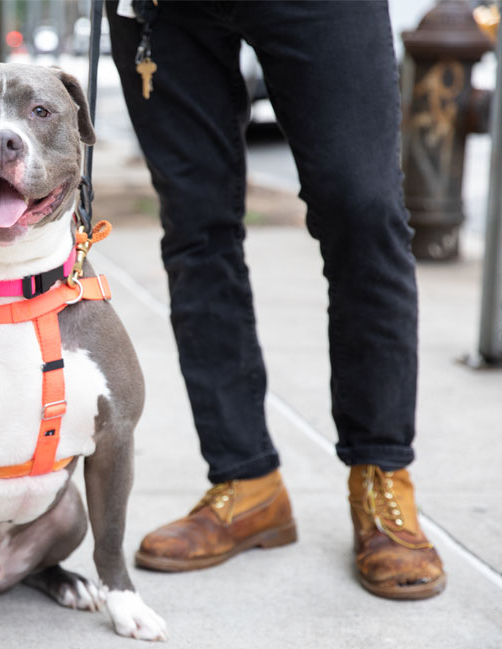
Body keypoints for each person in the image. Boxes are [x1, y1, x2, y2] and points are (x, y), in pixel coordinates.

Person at [106, 0, 445, 599]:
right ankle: (247, 481)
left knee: (363, 212)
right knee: (196, 229)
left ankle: (381, 475)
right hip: (163, 11)